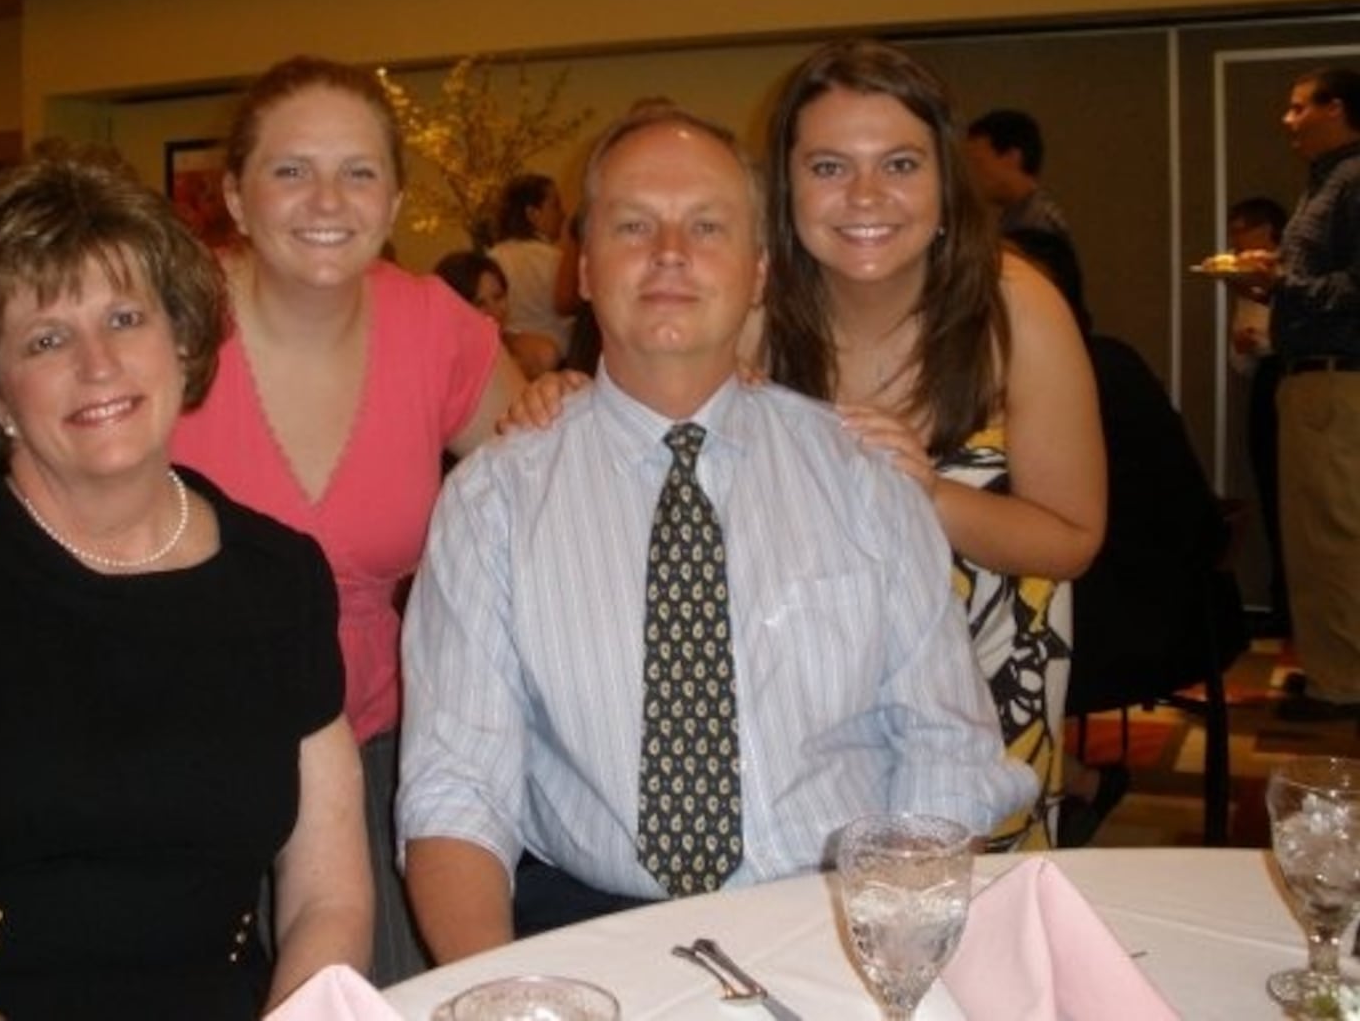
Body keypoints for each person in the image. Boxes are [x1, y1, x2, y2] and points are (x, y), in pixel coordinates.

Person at [0, 56, 526, 984]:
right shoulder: (159, 324)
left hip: (374, 741)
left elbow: (534, 479)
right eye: (290, 169)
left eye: (359, 172)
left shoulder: (437, 327)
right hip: (160, 746)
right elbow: (54, 426)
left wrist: (579, 398)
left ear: (394, 203)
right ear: (233, 193)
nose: (327, 200)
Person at [397, 106, 1035, 964]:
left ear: (760, 270)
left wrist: (893, 959)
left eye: (706, 226)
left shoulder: (863, 480)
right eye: (633, 225)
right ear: (584, 270)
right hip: (587, 929)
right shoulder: (493, 503)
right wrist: (495, 990)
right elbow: (456, 788)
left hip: (840, 919)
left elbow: (945, 751)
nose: (669, 252)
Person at [0, 149, 371, 1018]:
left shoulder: (281, 577)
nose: (98, 364)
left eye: (125, 318)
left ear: (181, 342)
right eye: (46, 338)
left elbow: (327, 903)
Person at [765, 40, 1105, 848]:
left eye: (901, 164)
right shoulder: (754, 314)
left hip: (987, 688)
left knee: (971, 941)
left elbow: (1072, 540)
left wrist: (921, 493)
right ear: (786, 186)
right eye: (828, 167)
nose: (866, 196)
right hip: (803, 691)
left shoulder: (1017, 308)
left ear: (946, 182)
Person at [1010, 228, 1245, 845]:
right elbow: (1199, 519)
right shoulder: (1119, 360)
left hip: (1097, 638)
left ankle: (1071, 786)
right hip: (1178, 618)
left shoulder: (1016, 385)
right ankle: (1076, 780)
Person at [1254, 66, 1360, 721]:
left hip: (1336, 380)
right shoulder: (1326, 181)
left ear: (1337, 108)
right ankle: (1332, 670)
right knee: (1317, 536)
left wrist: (1285, 281)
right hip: (1314, 379)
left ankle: (1344, 685)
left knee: (1334, 536)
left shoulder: (1353, 181)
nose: (1288, 120)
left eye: (1299, 108)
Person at [1224, 196, 1289, 636]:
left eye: (1243, 229)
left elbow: (1294, 338)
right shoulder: (1245, 282)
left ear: (1270, 232)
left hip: (1293, 380)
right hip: (1264, 387)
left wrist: (1263, 345)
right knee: (1270, 493)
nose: (1236, 240)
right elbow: (1241, 362)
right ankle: (1282, 603)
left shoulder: (1289, 276)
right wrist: (1245, 349)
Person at [434, 250, 562, 379]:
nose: (493, 310)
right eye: (479, 303)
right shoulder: (447, 371)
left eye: (498, 297)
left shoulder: (536, 353)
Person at [487, 172, 577, 353]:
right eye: (555, 206)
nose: (563, 214)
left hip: (509, 360)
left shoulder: (491, 258)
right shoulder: (556, 261)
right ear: (532, 214)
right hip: (558, 360)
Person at [964, 108, 1074, 241]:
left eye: (978, 163)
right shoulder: (1018, 218)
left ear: (1012, 158)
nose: (971, 173)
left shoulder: (1037, 227)